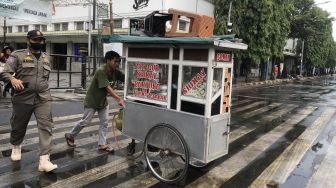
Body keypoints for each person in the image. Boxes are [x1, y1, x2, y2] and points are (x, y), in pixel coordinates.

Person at [0, 30, 57, 172]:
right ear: (28, 40)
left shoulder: (46, 57)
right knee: (18, 126)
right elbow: (4, 72)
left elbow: (45, 78)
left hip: (43, 97)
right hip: (23, 97)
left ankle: (44, 160)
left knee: (46, 126)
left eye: (41, 40)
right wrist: (12, 79)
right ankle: (16, 145)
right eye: (36, 40)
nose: (39, 42)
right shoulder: (16, 55)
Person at [65, 50, 125, 152]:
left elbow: (126, 78)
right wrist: (119, 99)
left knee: (104, 123)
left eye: (118, 61)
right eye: (115, 61)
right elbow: (107, 87)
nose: (117, 64)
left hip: (102, 101)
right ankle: (70, 135)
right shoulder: (101, 71)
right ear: (108, 61)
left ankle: (102, 144)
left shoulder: (116, 72)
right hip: (92, 100)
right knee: (85, 121)